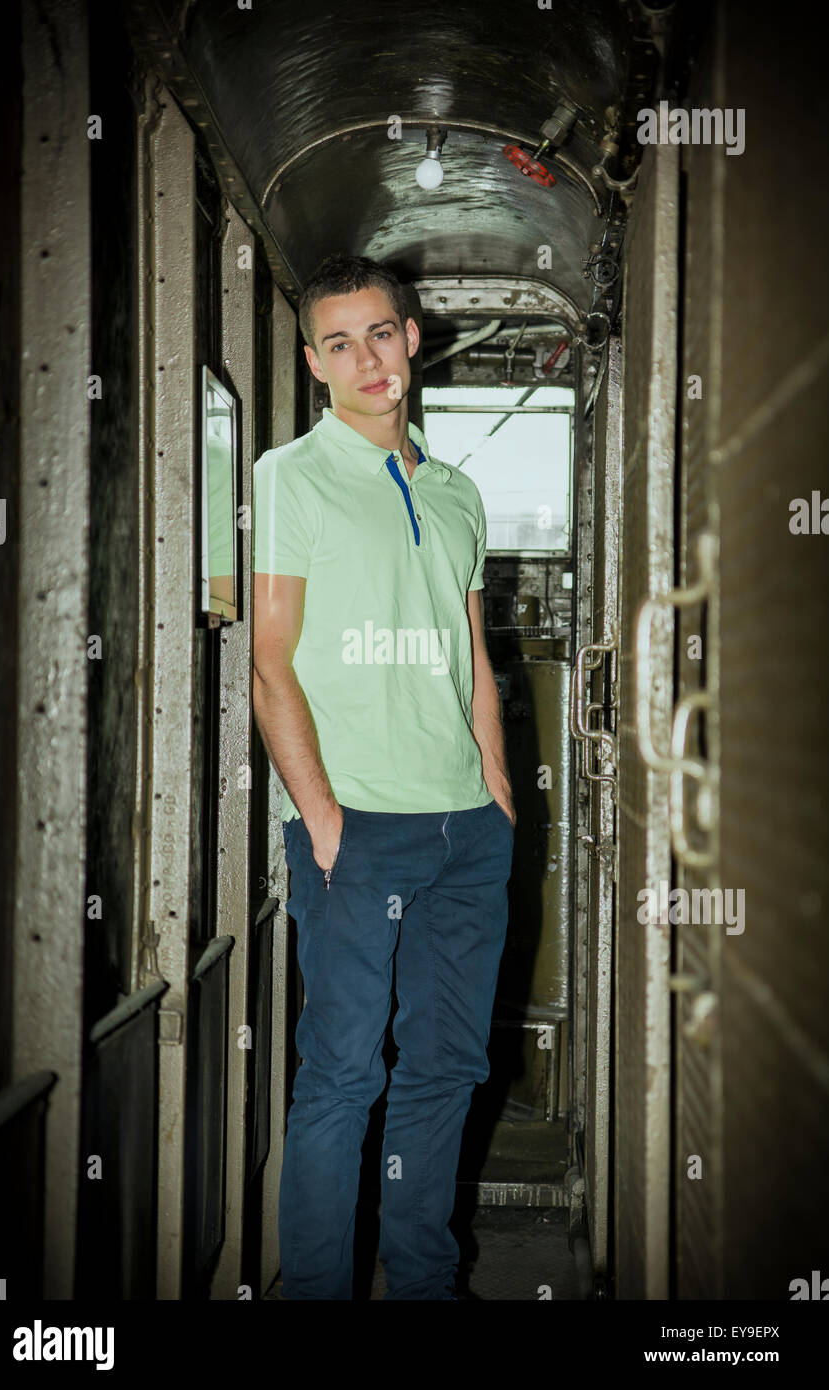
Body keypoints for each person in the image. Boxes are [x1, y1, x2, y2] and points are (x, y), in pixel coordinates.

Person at [252, 252, 516, 1300]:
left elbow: (471, 658)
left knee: (447, 1069)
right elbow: (272, 662)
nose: (364, 358)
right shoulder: (288, 477)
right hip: (354, 828)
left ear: (410, 341)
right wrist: (319, 818)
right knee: (344, 1075)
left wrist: (496, 788)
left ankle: (421, 1282)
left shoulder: (455, 493)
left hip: (465, 830)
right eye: (337, 343)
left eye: (379, 334)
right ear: (314, 362)